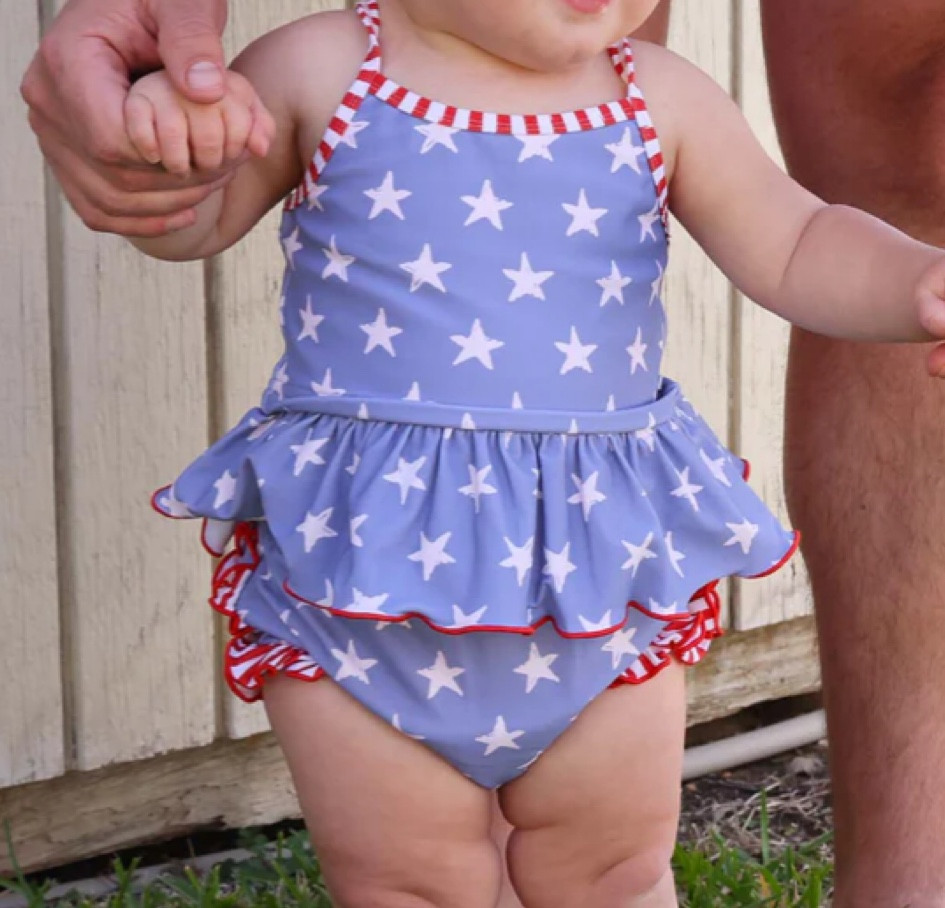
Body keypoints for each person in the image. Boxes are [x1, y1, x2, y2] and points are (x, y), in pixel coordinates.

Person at [19, 2, 945, 906]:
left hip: (591, 583)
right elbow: (193, 221)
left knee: (612, 874)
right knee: (407, 883)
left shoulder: (658, 95)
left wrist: (915, 282)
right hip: (368, 588)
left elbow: (796, 243)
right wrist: (175, 147)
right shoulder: (322, 69)